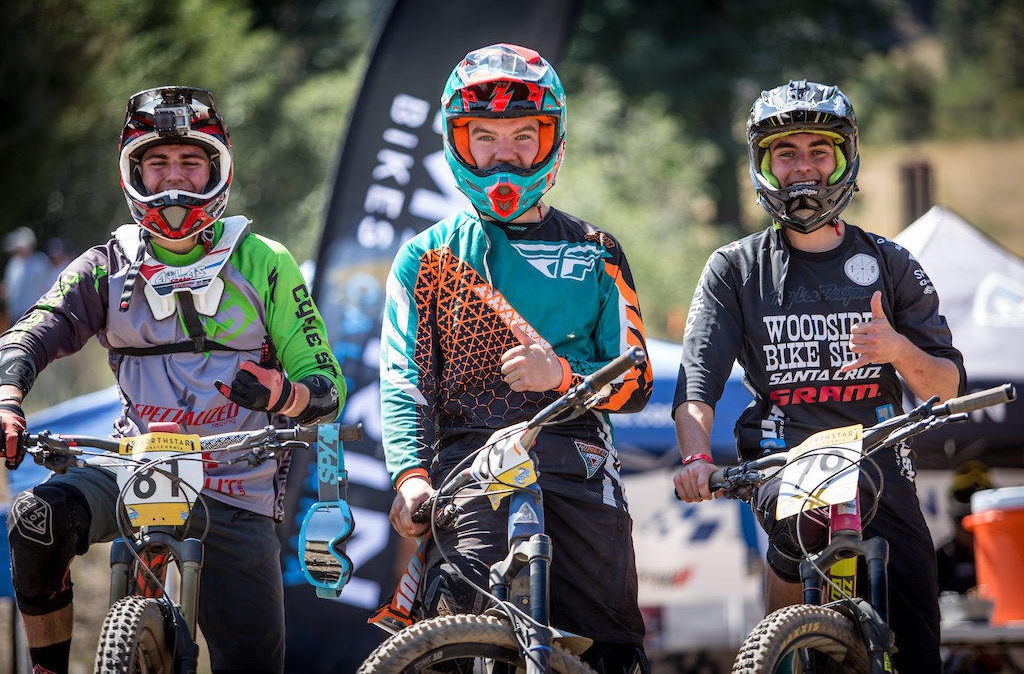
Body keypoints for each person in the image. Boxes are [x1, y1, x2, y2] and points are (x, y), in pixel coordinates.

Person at [2, 86, 346, 674]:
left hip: (236, 484)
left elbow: (328, 386)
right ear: (133, 172)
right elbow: (37, 328)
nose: (174, 181)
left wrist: (282, 393)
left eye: (191, 161)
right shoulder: (108, 263)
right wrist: (8, 399)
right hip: (134, 466)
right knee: (35, 519)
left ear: (219, 168)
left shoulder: (265, 260)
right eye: (157, 163)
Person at [671, 79, 965, 674]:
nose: (802, 169)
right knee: (800, 529)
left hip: (881, 456)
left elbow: (946, 386)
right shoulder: (735, 267)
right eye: (785, 153)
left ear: (844, 161)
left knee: (918, 637)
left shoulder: (890, 262)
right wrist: (695, 458)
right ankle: (785, 644)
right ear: (763, 166)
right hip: (786, 457)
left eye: (818, 152)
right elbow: (696, 385)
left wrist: (896, 349)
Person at [380, 44, 654, 673]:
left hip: (578, 460)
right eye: (486, 137)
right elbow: (403, 381)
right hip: (469, 468)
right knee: (456, 644)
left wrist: (562, 377)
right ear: (458, 141)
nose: (505, 155)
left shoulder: (597, 251)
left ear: (550, 139)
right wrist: (410, 478)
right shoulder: (425, 256)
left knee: (613, 652)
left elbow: (637, 379)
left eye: (523, 136)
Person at [937, 460, 993, 595]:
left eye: (977, 525)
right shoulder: (944, 555)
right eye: (964, 524)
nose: (971, 531)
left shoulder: (999, 553)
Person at [3, 226, 54, 324]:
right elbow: (9, 288)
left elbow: (48, 286)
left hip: (34, 312)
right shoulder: (14, 263)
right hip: (15, 313)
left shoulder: (40, 262)